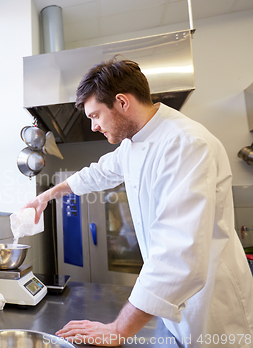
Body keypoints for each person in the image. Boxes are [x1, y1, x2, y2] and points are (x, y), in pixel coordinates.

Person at [24, 58, 253, 347]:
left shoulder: (186, 144)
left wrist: (119, 328)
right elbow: (97, 174)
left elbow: (177, 253)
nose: (93, 126)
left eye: (95, 115)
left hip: (212, 312)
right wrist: (46, 196)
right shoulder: (134, 143)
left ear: (121, 102)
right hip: (175, 312)